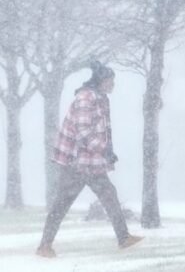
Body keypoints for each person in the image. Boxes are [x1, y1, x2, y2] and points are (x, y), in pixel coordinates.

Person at [36, 61, 143, 258]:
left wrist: (106, 151)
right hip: (76, 162)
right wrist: (104, 150)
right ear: (102, 81)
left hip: (90, 162)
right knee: (62, 203)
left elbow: (101, 130)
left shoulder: (101, 98)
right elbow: (83, 131)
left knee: (109, 195)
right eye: (111, 80)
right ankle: (44, 246)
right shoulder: (86, 98)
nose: (113, 84)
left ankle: (124, 238)